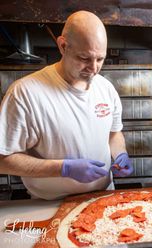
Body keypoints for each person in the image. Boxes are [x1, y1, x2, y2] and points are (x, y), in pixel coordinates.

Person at [0, 11, 133, 200]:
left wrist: (120, 153)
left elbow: (113, 133)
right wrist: (63, 168)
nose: (94, 68)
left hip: (103, 197)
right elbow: (3, 160)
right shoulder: (25, 93)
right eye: (85, 58)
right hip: (51, 204)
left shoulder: (106, 88)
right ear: (63, 46)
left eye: (100, 59)